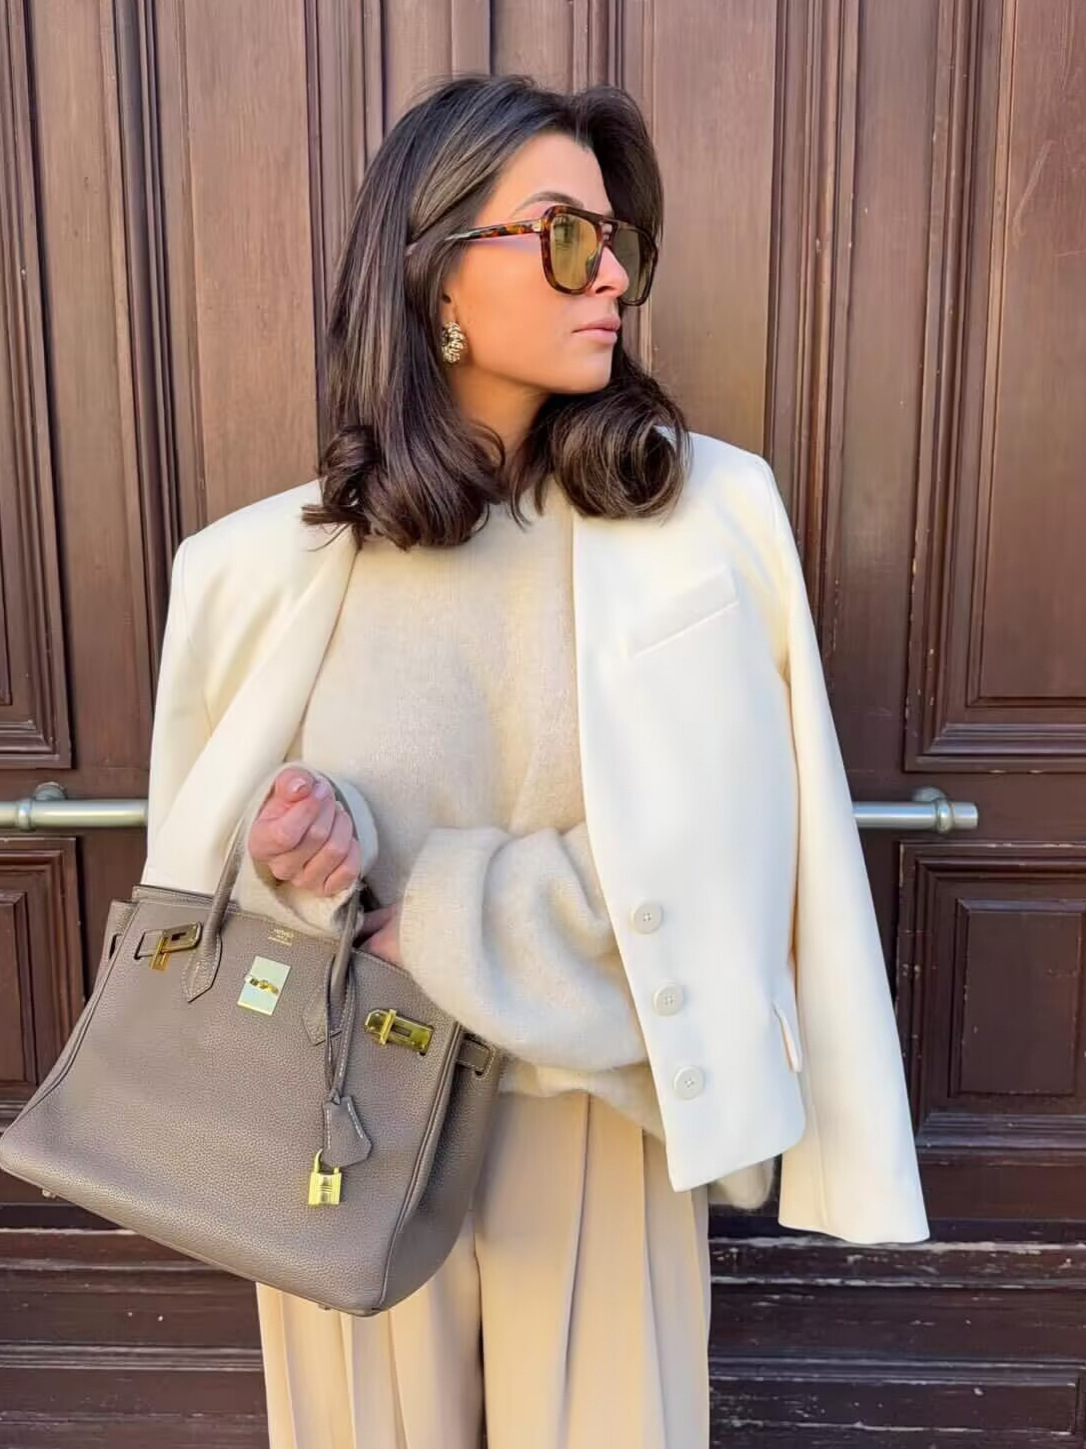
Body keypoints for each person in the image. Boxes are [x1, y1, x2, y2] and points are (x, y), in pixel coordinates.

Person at [141, 71, 928, 1449]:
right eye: (565, 235)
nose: (609, 274)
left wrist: (434, 919)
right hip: (337, 1130)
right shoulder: (250, 571)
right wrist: (291, 862)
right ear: (438, 274)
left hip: (593, 1125)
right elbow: (201, 906)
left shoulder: (702, 525)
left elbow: (727, 862)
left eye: (616, 240)